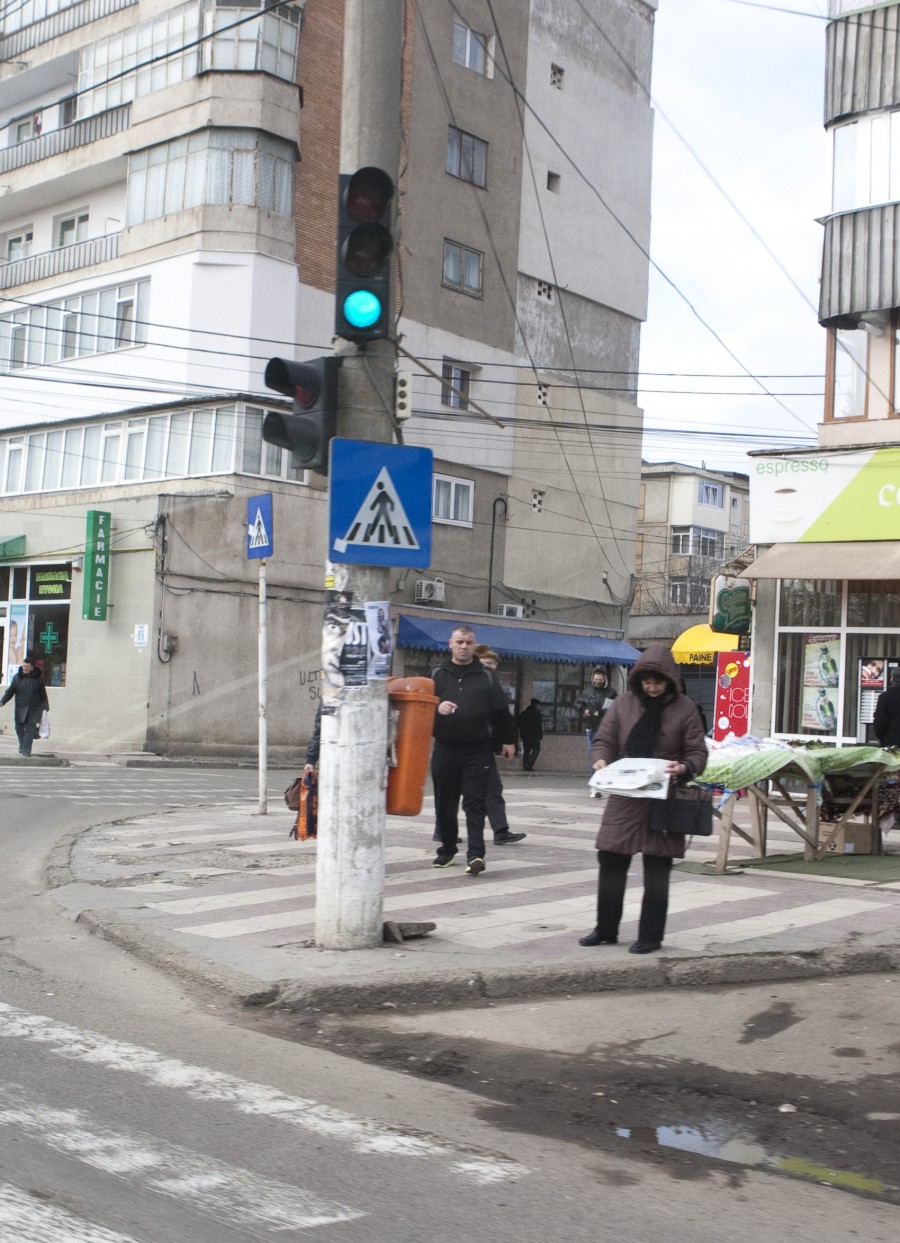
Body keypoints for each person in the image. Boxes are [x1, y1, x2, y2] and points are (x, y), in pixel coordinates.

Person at [579, 644, 708, 955]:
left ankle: (650, 937)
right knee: (610, 861)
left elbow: (697, 751)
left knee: (657, 870)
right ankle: (605, 929)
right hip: (625, 797)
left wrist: (685, 767)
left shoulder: (685, 708)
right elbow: (605, 740)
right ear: (638, 680)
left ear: (669, 681)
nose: (652, 687)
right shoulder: (624, 703)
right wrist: (600, 759)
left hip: (663, 799)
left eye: (658, 682)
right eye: (647, 682)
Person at [431, 626, 517, 874]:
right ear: (450, 644)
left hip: (477, 749)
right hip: (445, 748)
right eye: (460, 642)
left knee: (475, 803)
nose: (464, 646)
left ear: (474, 645)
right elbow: (421, 707)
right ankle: (447, 850)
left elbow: (501, 712)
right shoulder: (438, 674)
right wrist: (437, 706)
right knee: (445, 802)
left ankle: (476, 855)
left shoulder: (486, 676)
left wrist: (508, 740)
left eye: (469, 642)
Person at [472, 645, 525, 845]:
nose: (491, 668)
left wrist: (507, 740)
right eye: (486, 664)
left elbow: (502, 715)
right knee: (452, 790)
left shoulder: (491, 684)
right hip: (462, 745)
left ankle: (500, 830)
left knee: (493, 788)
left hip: (483, 744)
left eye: (493, 664)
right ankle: (443, 833)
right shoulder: (470, 682)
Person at [1, 654, 49, 757]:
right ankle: (22, 745)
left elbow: (43, 694)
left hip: (34, 709)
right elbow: (10, 692)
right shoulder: (17, 677)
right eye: (24, 666)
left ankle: (26, 750)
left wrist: (46, 708)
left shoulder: (38, 678)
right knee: (18, 727)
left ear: (32, 667)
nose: (25, 668)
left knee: (30, 729)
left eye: (27, 666)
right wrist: (2, 701)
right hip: (20, 708)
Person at [577, 667, 618, 736]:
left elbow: (616, 709)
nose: (598, 682)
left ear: (605, 679)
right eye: (596, 680)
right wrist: (584, 709)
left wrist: (602, 712)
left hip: (606, 728)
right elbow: (578, 703)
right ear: (593, 679)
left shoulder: (611, 692)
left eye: (600, 680)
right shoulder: (587, 691)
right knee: (591, 746)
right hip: (590, 726)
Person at [873, 669, 900, 747]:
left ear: (892, 679)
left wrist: (882, 738)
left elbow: (880, 721)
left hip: (892, 743)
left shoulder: (885, 697)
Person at [517, 698, 543, 772]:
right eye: (539, 705)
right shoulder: (537, 714)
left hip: (525, 736)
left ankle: (525, 766)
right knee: (537, 749)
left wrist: (522, 735)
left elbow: (519, 725)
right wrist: (539, 737)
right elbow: (539, 726)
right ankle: (529, 764)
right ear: (536, 705)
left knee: (526, 751)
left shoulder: (523, 713)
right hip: (534, 737)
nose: (539, 707)